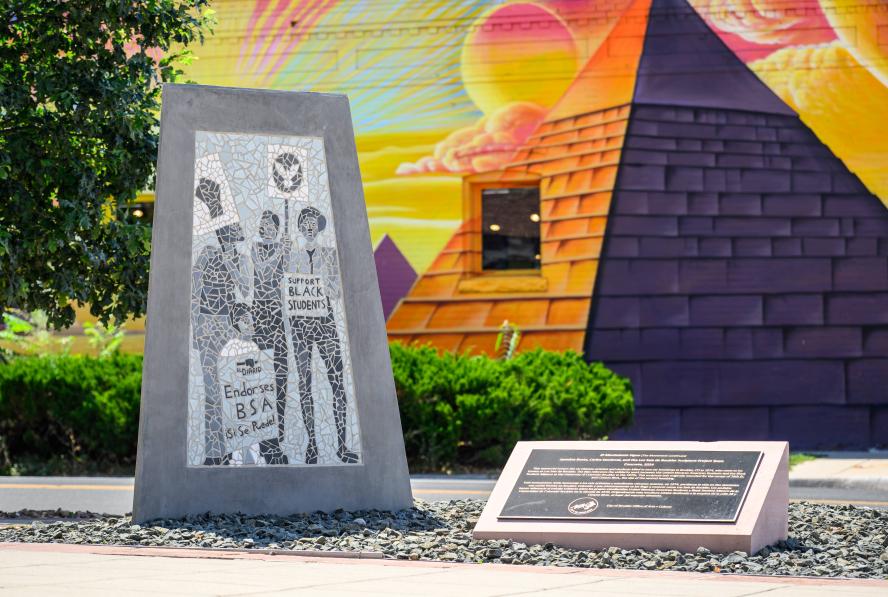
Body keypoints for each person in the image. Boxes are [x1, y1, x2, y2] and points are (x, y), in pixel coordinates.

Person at [287, 206, 358, 464]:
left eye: (313, 221)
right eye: (305, 221)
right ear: (299, 226)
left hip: (325, 321)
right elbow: (286, 292)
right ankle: (312, 445)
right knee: (304, 384)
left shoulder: (329, 255)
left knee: (336, 381)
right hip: (300, 324)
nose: (309, 225)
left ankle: (342, 444)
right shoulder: (292, 255)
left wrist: (325, 281)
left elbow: (336, 293)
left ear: (318, 227)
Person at [191, 179, 249, 465]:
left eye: (231, 232)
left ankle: (235, 450)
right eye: (224, 231)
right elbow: (194, 291)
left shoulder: (240, 259)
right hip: (206, 323)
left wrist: (230, 262)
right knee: (212, 391)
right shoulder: (206, 254)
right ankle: (214, 451)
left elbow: (245, 289)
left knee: (231, 390)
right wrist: (195, 328)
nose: (227, 236)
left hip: (228, 325)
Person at [250, 210, 290, 464]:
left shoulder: (281, 248)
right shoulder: (256, 248)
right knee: (262, 376)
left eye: (270, 224)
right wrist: (279, 252)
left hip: (278, 313)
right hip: (260, 313)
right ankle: (265, 441)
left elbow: (287, 275)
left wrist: (287, 252)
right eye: (263, 224)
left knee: (281, 374)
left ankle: (279, 436)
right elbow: (263, 271)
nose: (266, 227)